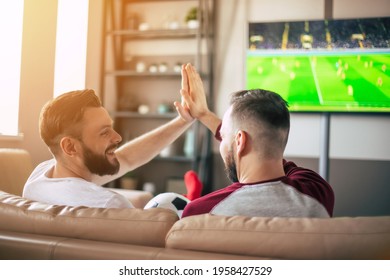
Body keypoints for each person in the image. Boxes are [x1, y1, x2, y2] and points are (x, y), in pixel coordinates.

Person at [23, 69, 197, 208]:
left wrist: (183, 121)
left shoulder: (38, 180)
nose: (118, 137)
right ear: (70, 147)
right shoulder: (110, 205)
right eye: (104, 132)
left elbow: (127, 159)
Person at [179, 63, 335, 218]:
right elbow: (271, 152)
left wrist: (204, 115)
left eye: (224, 135)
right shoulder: (318, 192)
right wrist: (204, 114)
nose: (222, 141)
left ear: (239, 141)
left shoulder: (201, 212)